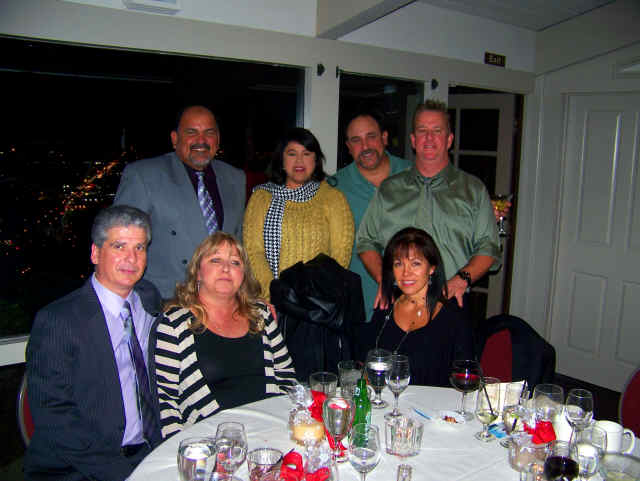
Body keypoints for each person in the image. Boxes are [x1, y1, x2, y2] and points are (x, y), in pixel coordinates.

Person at [25, 205, 163, 481]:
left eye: (139, 248)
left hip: (151, 452)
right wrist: (121, 474)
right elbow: (54, 415)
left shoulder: (149, 300)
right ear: (95, 253)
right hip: (79, 467)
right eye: (119, 246)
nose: (131, 258)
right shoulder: (59, 321)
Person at [356, 100, 501, 310]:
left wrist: (461, 279)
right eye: (422, 131)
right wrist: (383, 279)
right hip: (397, 303)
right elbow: (366, 241)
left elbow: (489, 247)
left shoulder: (473, 191)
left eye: (437, 131)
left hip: (451, 300)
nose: (429, 138)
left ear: (449, 139)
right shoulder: (388, 189)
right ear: (413, 140)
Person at [154, 232, 296, 439]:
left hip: (269, 434)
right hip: (208, 440)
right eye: (215, 260)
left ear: (243, 275)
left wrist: (279, 425)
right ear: (198, 272)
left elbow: (286, 377)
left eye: (235, 262)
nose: (226, 268)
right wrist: (179, 448)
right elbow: (165, 401)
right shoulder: (174, 324)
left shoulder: (261, 314)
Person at [114, 105, 246, 299]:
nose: (201, 140)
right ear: (175, 139)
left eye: (209, 133)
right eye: (191, 132)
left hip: (222, 300)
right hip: (164, 299)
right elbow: (119, 242)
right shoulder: (144, 175)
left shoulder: (235, 178)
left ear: (217, 139)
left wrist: (248, 297)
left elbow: (240, 242)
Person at [242, 127, 354, 299]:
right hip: (268, 300)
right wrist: (275, 293)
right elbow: (253, 251)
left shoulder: (333, 198)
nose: (299, 161)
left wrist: (312, 298)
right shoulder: (261, 197)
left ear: (316, 160)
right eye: (292, 154)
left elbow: (340, 255)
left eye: (306, 153)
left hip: (317, 303)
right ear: (281, 160)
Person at [356, 227, 474, 386]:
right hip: (387, 399)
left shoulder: (452, 314)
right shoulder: (386, 305)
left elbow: (465, 377)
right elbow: (366, 366)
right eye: (398, 264)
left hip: (436, 401)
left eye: (415, 264)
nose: (406, 273)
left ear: (432, 268)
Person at [332, 110, 411, 321]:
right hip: (359, 306)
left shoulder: (413, 176)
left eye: (371, 136)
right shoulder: (335, 188)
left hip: (413, 300)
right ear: (348, 147)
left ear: (384, 138)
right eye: (356, 140)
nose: (365, 146)